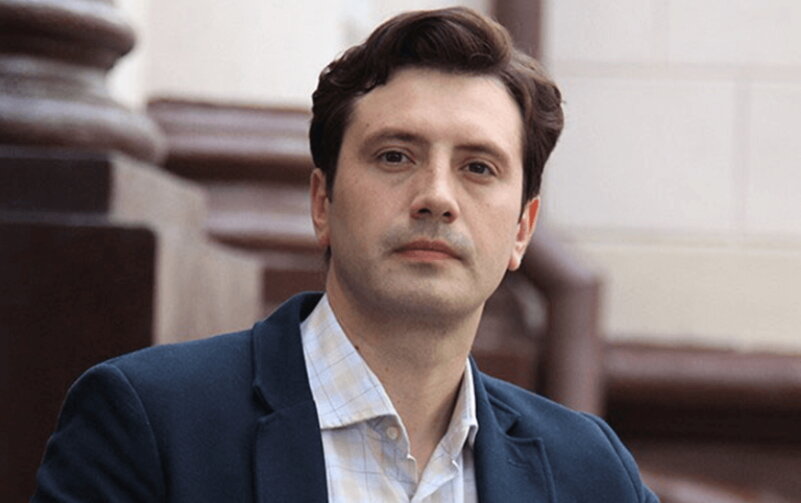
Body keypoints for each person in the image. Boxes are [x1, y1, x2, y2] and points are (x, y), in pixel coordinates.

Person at [33, 7, 658, 503]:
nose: (437, 198)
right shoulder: (150, 423)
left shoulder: (590, 472)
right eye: (395, 156)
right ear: (322, 202)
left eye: (478, 167)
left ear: (522, 229)